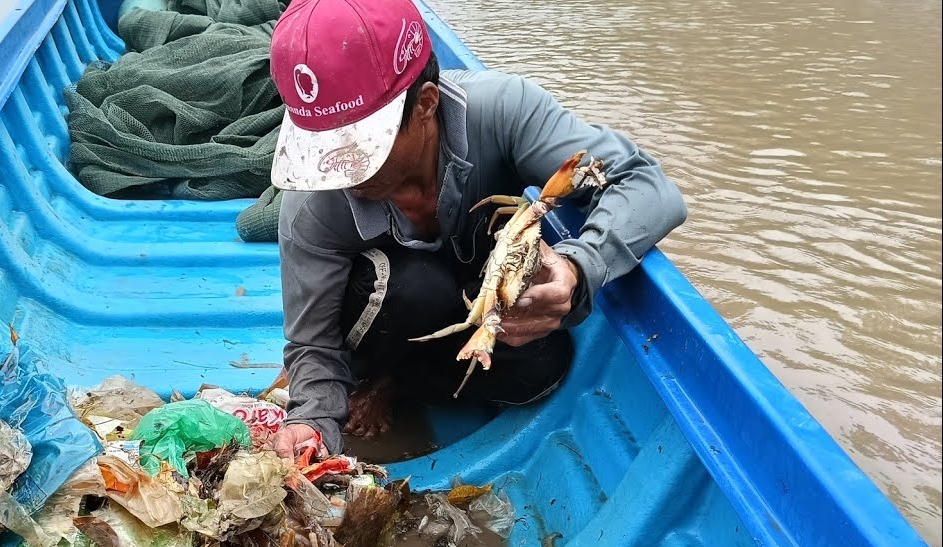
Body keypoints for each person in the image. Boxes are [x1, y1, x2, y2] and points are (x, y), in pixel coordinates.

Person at [266, 0, 687, 461]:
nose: (338, 170)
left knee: (543, 369)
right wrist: (311, 421)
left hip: (475, 309)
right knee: (413, 288)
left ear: (426, 103)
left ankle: (403, 383)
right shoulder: (312, 204)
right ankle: (378, 377)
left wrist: (578, 265)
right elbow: (312, 341)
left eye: (357, 148)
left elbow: (645, 184)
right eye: (322, 149)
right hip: (384, 316)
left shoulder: (505, 111)